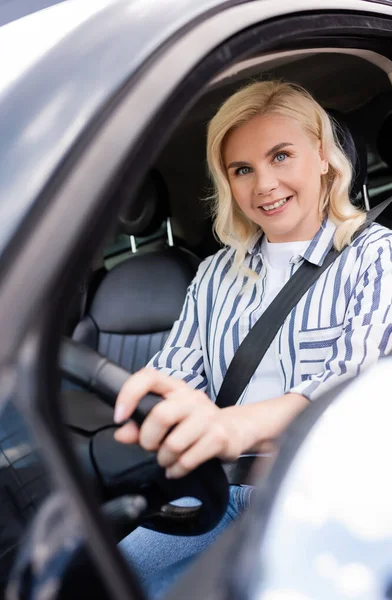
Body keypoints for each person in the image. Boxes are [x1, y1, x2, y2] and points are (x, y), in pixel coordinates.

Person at [114, 80, 392, 597]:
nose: (264, 184)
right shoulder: (215, 274)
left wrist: (230, 428)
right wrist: (144, 405)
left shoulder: (377, 257)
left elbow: (348, 395)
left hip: (326, 501)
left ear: (324, 156)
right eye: (242, 169)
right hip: (212, 494)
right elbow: (175, 371)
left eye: (281, 156)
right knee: (94, 582)